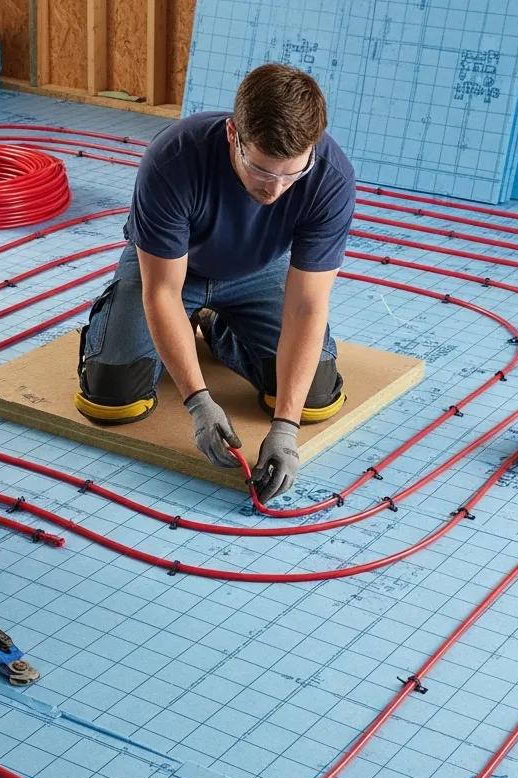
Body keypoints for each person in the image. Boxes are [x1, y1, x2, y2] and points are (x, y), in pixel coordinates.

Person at [74, 62, 356, 501]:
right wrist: (198, 401)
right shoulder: (172, 159)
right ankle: (142, 321)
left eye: (291, 174)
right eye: (262, 170)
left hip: (256, 271)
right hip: (172, 268)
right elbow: (162, 292)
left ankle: (216, 325)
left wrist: (286, 427)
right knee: (112, 397)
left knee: (315, 399)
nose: (276, 189)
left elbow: (307, 306)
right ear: (232, 135)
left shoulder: (330, 178)